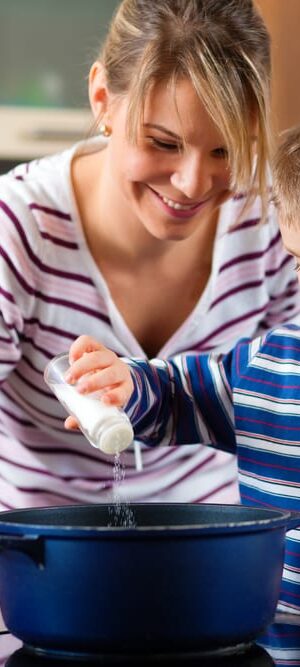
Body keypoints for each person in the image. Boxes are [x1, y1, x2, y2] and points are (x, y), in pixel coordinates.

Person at [0, 0, 300, 511]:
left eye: (226, 150)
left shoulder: (273, 216)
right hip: (43, 547)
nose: (192, 184)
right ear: (102, 99)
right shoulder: (19, 228)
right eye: (163, 143)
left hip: (218, 541)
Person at [64, 126, 300, 615]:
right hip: (276, 634)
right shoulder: (270, 366)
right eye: (299, 262)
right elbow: (179, 393)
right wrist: (126, 386)